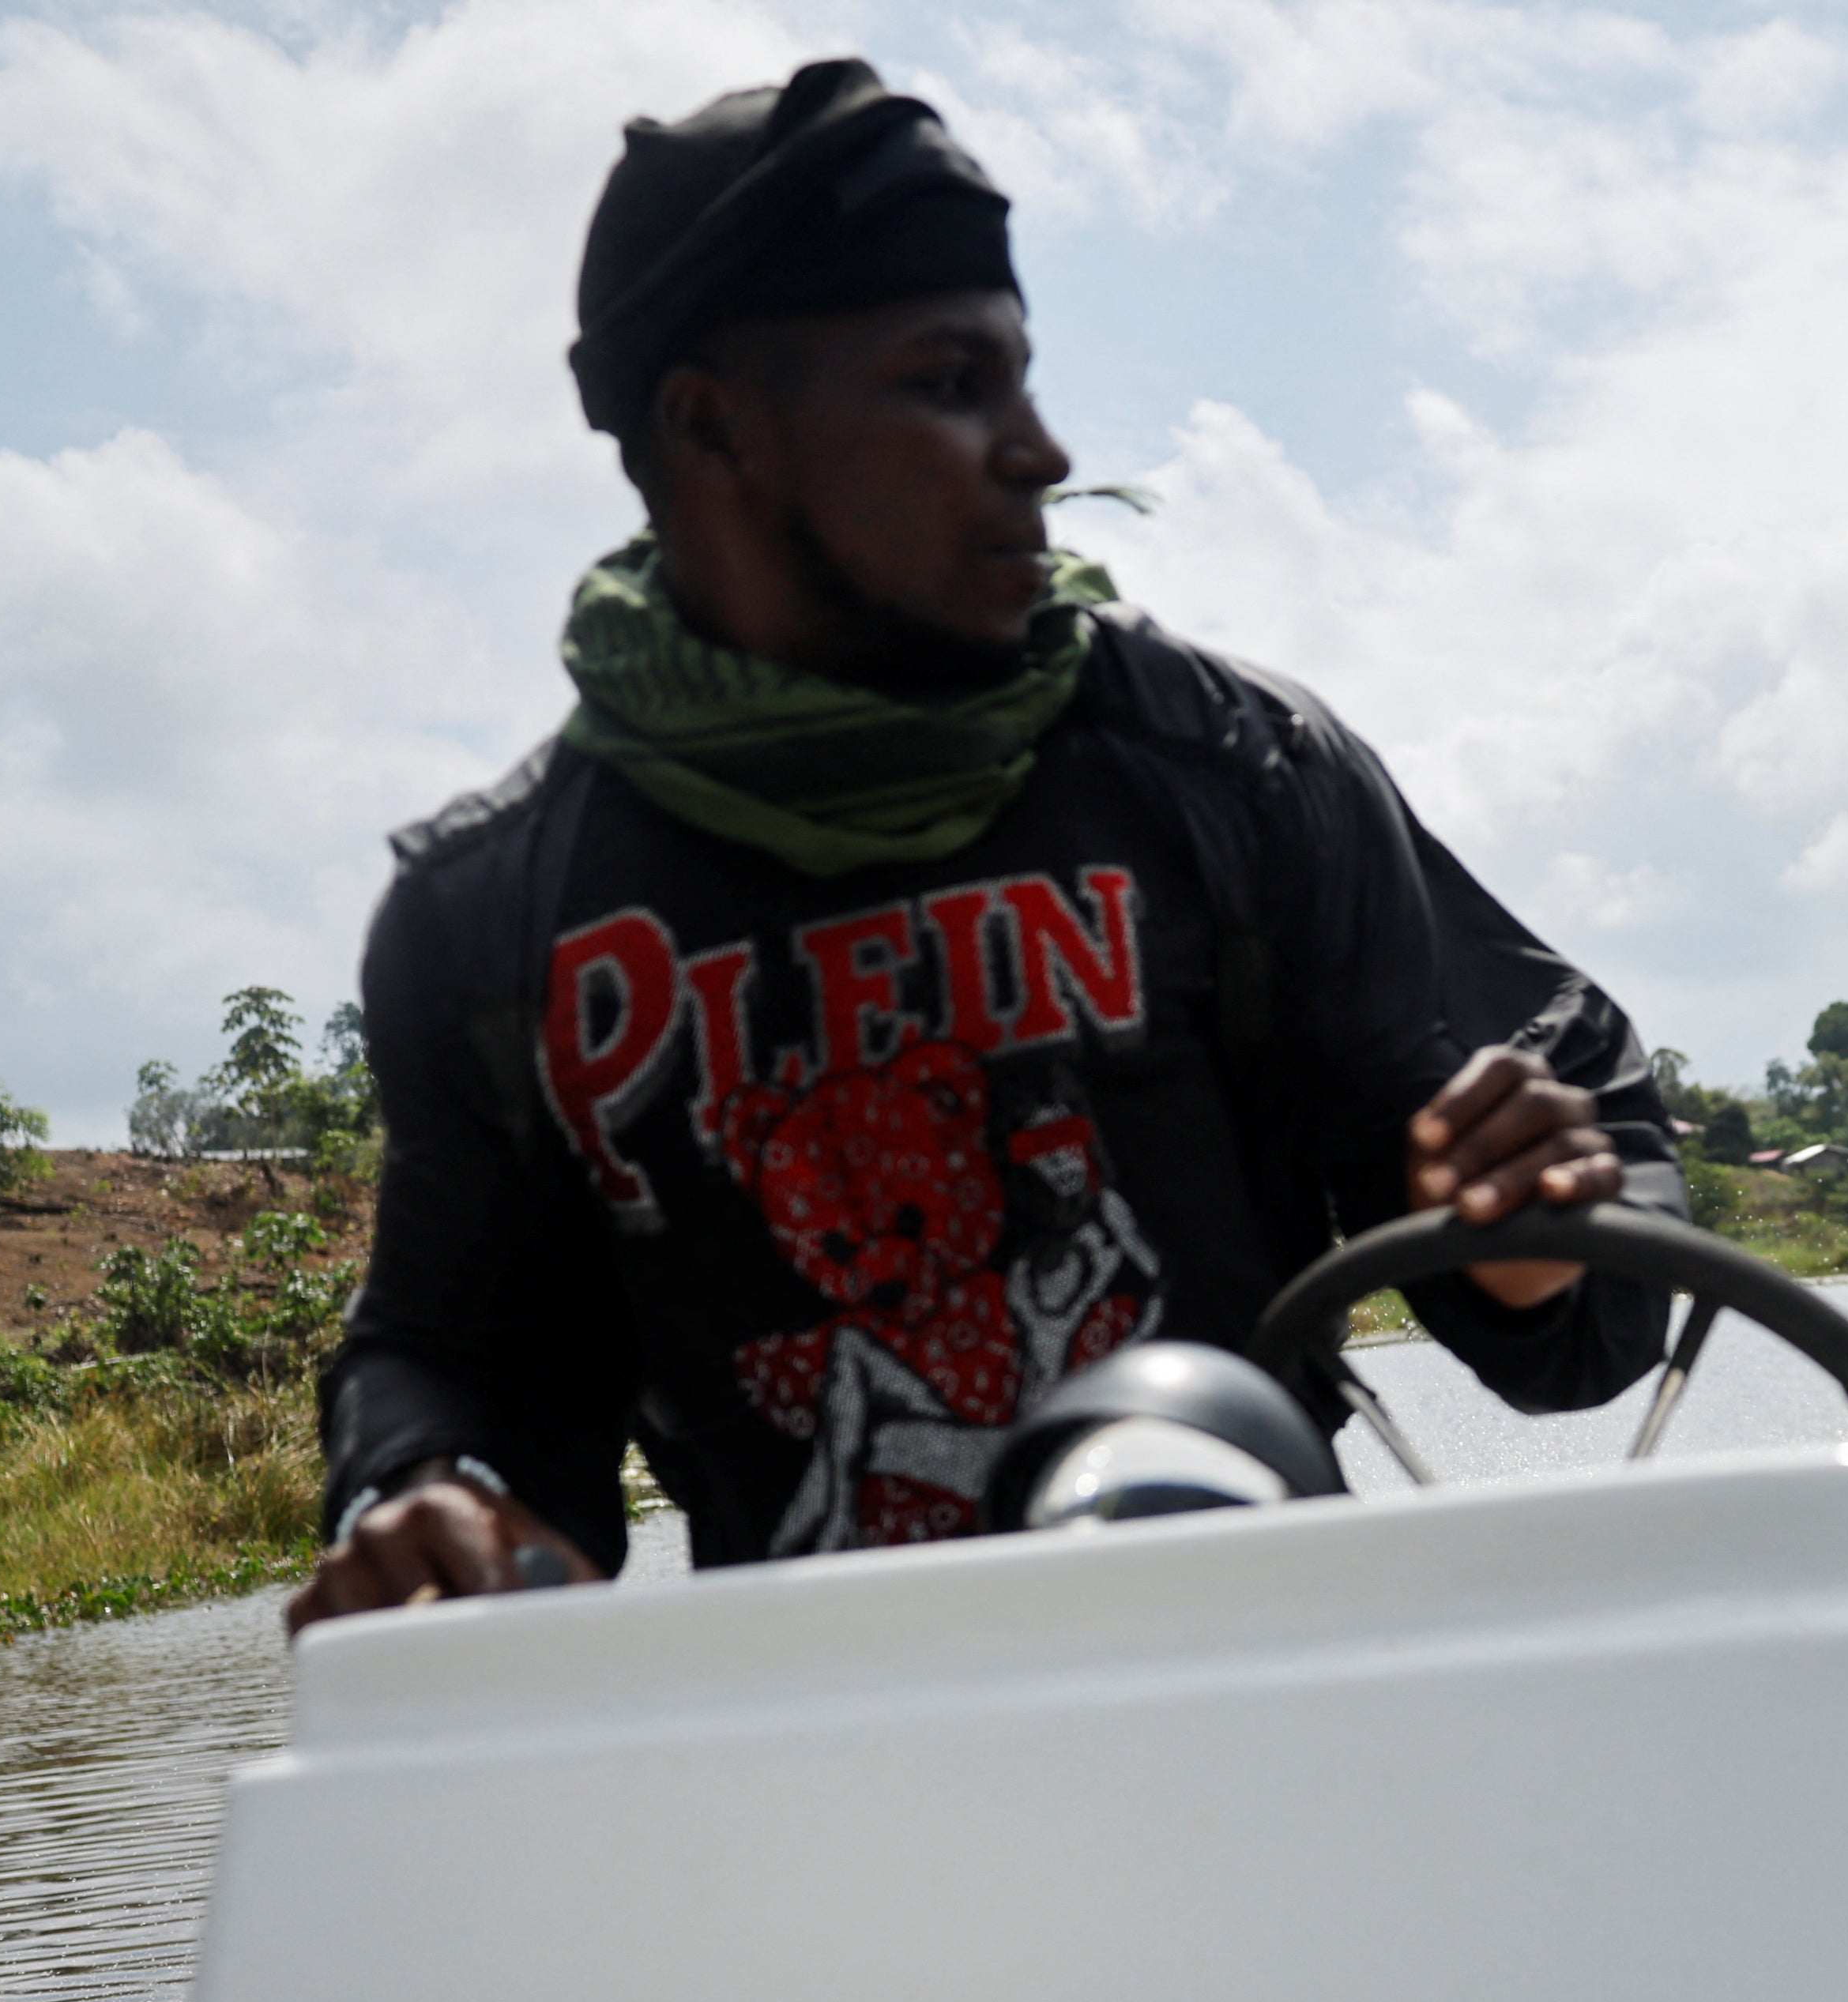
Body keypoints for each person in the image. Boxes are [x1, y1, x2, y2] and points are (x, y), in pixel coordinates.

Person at [293, 59, 1673, 1624]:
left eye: (1021, 375)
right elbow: (460, 1360)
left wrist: (1532, 1245)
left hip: (1292, 1717)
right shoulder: (489, 923)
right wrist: (427, 1497)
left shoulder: (1233, 771)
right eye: (952, 381)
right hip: (835, 1792)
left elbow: (1554, 1277)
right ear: (709, 429)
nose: (1042, 450)